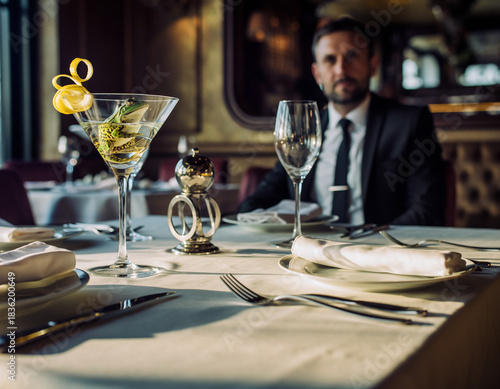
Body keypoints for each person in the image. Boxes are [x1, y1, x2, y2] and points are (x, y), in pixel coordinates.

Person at [238, 17, 446, 226]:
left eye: (352, 56)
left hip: (379, 251)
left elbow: (427, 210)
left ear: (372, 65)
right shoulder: (303, 129)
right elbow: (254, 205)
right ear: (317, 73)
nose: (341, 70)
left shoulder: (409, 123)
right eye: (330, 59)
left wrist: (370, 245)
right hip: (313, 250)